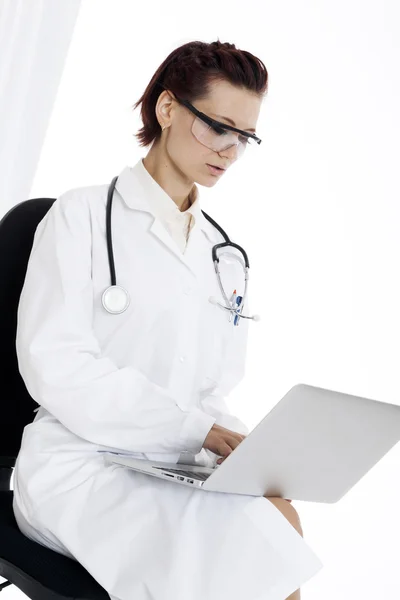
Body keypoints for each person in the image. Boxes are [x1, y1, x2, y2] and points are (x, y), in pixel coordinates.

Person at [12, 39, 323, 600]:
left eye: (244, 137)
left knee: (275, 514)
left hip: (173, 467)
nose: (230, 150)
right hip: (80, 467)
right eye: (218, 126)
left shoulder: (224, 254)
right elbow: (56, 365)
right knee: (243, 548)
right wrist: (192, 430)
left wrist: (244, 451)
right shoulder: (80, 216)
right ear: (168, 109)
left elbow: (210, 388)